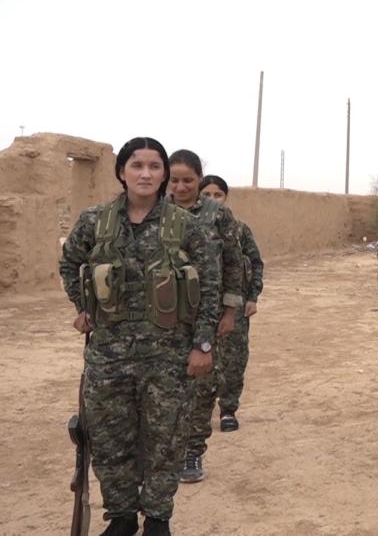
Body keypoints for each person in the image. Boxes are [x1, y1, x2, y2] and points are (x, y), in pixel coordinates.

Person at [59, 137, 220, 536]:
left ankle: (158, 518)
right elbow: (69, 263)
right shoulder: (95, 221)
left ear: (164, 174)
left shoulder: (187, 225)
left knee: (165, 441)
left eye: (154, 166)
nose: (145, 173)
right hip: (108, 356)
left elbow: (211, 287)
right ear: (121, 172)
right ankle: (122, 516)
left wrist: (202, 344)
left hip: (168, 356)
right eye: (136, 165)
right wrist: (83, 306)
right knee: (112, 441)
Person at [168, 150, 245, 484]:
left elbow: (233, 264)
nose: (181, 186)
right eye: (174, 180)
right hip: (163, 315)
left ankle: (192, 451)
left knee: (202, 386)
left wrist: (230, 311)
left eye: (188, 180)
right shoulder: (156, 211)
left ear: (200, 179)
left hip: (207, 312)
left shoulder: (217, 215)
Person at [198, 174, 264, 433]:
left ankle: (228, 409)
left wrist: (252, 297)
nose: (212, 200)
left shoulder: (239, 229)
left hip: (234, 305)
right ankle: (198, 411)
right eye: (206, 195)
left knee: (234, 358)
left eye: (218, 195)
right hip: (199, 306)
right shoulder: (189, 226)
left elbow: (255, 263)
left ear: (226, 198)